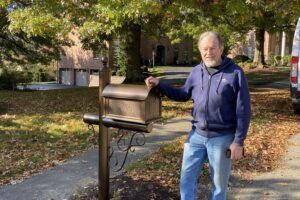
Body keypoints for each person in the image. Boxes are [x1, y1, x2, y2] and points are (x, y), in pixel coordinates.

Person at [145, 31, 251, 200]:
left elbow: (243, 110)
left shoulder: (235, 73)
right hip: (196, 136)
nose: (208, 52)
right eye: (204, 49)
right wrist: (160, 84)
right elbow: (183, 94)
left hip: (222, 138)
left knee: (218, 187)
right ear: (200, 50)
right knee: (186, 180)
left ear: (221, 48)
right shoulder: (196, 71)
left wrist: (238, 141)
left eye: (212, 48)